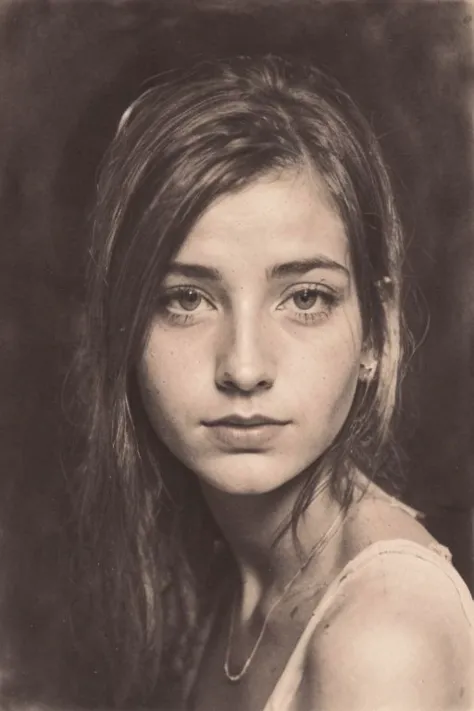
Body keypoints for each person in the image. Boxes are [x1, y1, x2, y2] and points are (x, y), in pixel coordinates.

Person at [77, 55, 474, 710]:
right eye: (185, 298)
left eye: (306, 297)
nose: (244, 366)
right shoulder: (214, 571)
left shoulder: (383, 637)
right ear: (124, 329)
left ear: (376, 331)